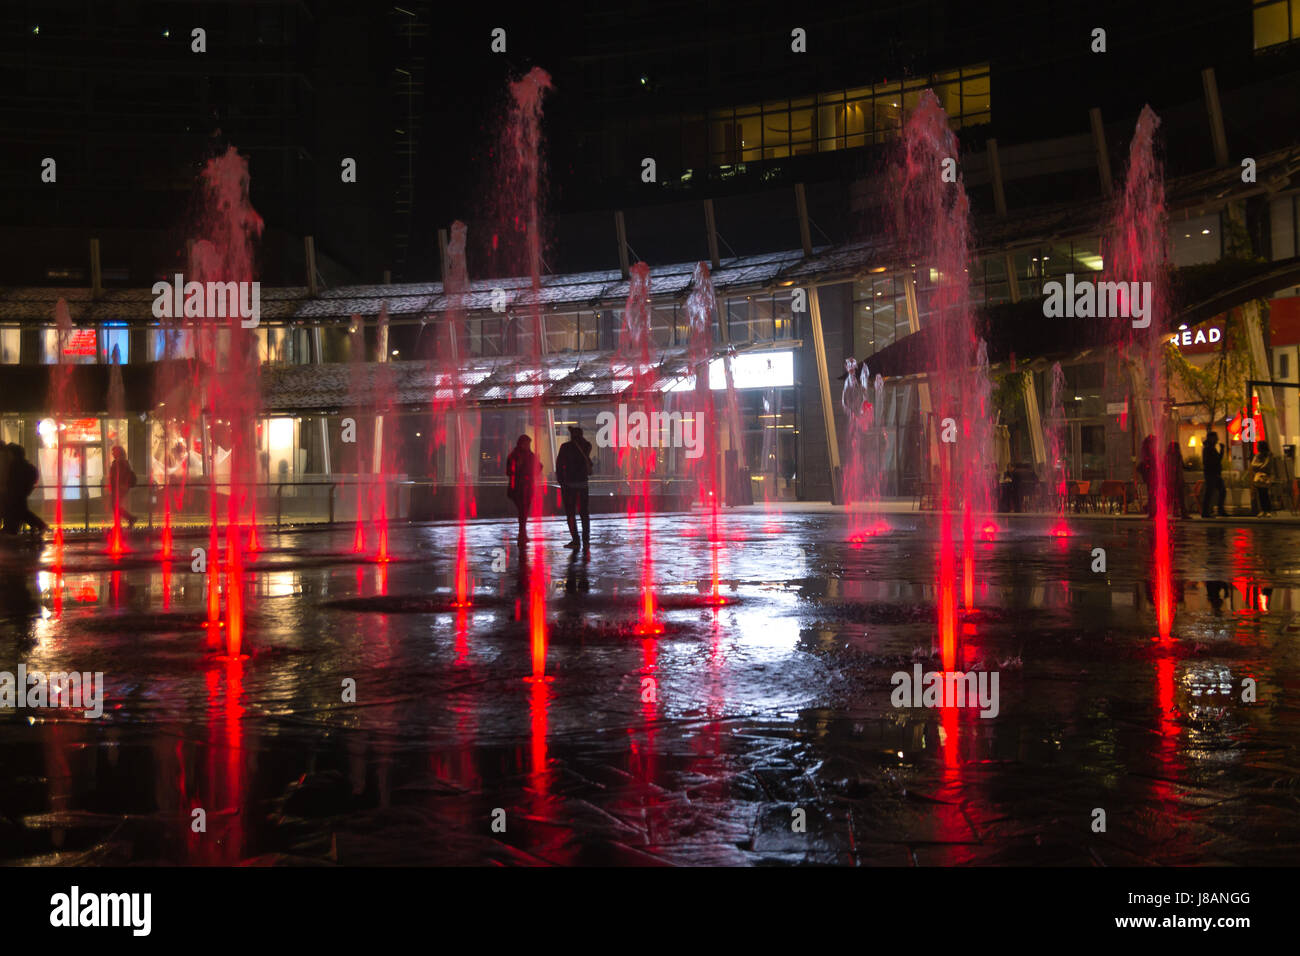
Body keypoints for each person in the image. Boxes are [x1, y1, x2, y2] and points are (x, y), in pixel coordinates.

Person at [555, 425, 593, 551]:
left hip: (569, 485)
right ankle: (586, 540)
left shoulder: (565, 447)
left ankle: (575, 540)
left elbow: (559, 466)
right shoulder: (587, 446)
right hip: (583, 484)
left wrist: (561, 482)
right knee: (584, 513)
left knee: (570, 513)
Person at [4, 444, 47, 538]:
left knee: (20, 511)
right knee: (21, 511)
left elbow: (12, 480)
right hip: (22, 492)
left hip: (16, 492)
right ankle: (38, 525)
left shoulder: (15, 465)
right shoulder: (25, 465)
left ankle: (39, 525)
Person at [505, 435, 541, 541]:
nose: (528, 446)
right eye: (526, 443)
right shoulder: (515, 456)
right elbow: (509, 472)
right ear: (521, 444)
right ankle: (522, 533)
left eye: (529, 444)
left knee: (523, 510)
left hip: (526, 487)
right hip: (519, 488)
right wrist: (517, 467)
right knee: (523, 510)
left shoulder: (529, 455)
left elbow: (537, 468)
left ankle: (522, 532)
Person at [106, 445, 137, 529]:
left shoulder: (122, 462)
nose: (112, 453)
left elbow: (123, 475)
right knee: (116, 506)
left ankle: (130, 519)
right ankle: (127, 520)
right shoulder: (118, 462)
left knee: (115, 506)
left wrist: (123, 485)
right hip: (117, 488)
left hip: (120, 488)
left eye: (114, 451)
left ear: (118, 452)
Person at [1200, 431, 1227, 518]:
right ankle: (1207, 512)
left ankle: (1218, 510)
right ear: (1211, 438)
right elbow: (1211, 461)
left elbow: (1217, 459)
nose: (1217, 439)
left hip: (1213, 473)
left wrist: (1222, 450)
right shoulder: (1208, 448)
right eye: (1215, 437)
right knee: (1210, 492)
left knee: (1219, 491)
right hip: (1211, 473)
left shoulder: (1211, 448)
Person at [1251, 441, 1277, 516]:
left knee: (1265, 493)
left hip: (1267, 477)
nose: (1257, 447)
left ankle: (1267, 510)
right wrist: (1261, 466)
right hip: (1259, 477)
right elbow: (1253, 465)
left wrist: (1259, 467)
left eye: (1258, 446)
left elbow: (1267, 466)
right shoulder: (1257, 456)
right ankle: (1263, 510)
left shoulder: (1269, 455)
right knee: (1260, 493)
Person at [1165, 440, 1188, 518]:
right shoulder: (1177, 456)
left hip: (1169, 480)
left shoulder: (1167, 456)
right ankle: (1183, 513)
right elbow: (1178, 468)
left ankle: (1174, 512)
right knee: (1180, 497)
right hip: (1176, 479)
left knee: (1172, 497)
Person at [1137, 435, 1158, 517]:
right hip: (1151, 476)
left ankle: (1150, 510)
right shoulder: (1150, 453)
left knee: (1152, 494)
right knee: (1153, 494)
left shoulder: (1146, 451)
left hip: (1149, 476)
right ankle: (1151, 510)